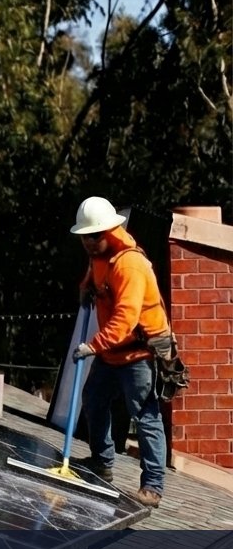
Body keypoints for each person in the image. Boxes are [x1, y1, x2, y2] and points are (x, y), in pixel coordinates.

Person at [69, 196, 170, 508]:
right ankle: (102, 462)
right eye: (84, 236)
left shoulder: (130, 265)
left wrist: (92, 346)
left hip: (137, 353)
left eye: (92, 236)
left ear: (107, 232)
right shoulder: (99, 254)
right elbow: (94, 276)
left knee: (145, 415)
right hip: (113, 352)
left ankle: (152, 486)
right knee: (95, 399)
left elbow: (125, 320)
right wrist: (85, 287)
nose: (86, 242)